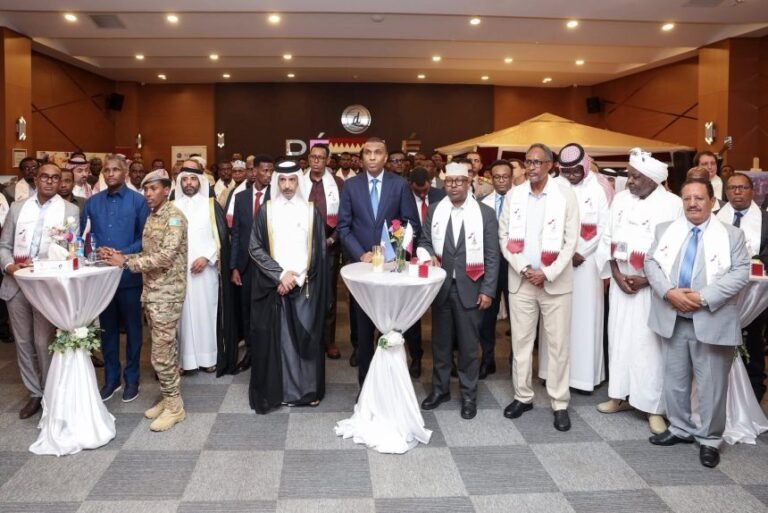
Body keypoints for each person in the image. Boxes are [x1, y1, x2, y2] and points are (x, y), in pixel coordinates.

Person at [645, 178, 749, 468]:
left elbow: (741, 274)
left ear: (713, 201)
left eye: (699, 198)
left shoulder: (732, 235)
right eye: (687, 198)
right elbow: (650, 263)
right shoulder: (665, 230)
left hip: (711, 319)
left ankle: (710, 439)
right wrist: (668, 292)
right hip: (673, 317)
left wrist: (701, 298)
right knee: (675, 381)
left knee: (712, 386)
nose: (692, 203)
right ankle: (679, 428)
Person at [596, 148, 683, 434]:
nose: (629, 181)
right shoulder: (620, 200)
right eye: (629, 175)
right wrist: (617, 275)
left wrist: (649, 280)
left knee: (649, 348)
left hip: (652, 289)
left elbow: (675, 251)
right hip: (622, 285)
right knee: (619, 341)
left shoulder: (672, 204)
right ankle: (618, 396)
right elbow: (608, 237)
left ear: (652, 179)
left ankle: (653, 407)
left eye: (634, 177)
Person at [499, 143, 579, 432]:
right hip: (521, 281)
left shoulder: (564, 193)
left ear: (549, 165)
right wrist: (523, 268)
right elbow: (504, 236)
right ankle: (523, 396)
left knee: (557, 346)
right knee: (520, 342)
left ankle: (559, 403)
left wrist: (546, 272)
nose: (531, 167)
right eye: (528, 162)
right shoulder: (515, 195)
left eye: (537, 162)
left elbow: (571, 240)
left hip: (555, 282)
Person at [103, 169, 188, 432]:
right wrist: (122, 256)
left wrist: (126, 264)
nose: (148, 195)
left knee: (161, 355)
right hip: (152, 293)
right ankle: (169, 397)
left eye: (154, 189)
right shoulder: (153, 216)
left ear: (166, 189)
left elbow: (165, 256)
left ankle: (175, 408)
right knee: (166, 351)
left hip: (167, 294)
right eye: (146, 190)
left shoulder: (174, 217)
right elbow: (148, 251)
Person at [418, 162, 499, 419]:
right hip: (441, 288)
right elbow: (424, 241)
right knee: (440, 345)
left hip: (471, 287)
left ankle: (468, 395)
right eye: (449, 181)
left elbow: (492, 256)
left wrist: (488, 290)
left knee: (468, 347)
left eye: (459, 181)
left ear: (468, 182)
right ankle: (440, 390)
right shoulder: (434, 211)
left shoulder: (484, 214)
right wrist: (428, 254)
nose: (453, 186)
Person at [337, 137, 421, 386]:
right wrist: (360, 253)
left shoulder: (400, 185)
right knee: (363, 330)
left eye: (378, 153)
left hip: (391, 266)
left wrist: (391, 251)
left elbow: (410, 223)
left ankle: (391, 385)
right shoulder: (350, 186)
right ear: (361, 157)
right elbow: (344, 226)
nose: (372, 157)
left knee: (391, 327)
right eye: (368, 153)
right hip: (361, 267)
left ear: (386, 158)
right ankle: (365, 387)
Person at [0, 163, 79, 419]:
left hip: (46, 286)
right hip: (17, 283)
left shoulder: (70, 210)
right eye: (45, 177)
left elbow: (71, 251)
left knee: (43, 341)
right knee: (23, 343)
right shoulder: (17, 208)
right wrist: (10, 266)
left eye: (55, 178)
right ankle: (35, 393)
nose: (50, 182)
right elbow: (4, 245)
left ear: (60, 183)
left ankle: (50, 392)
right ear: (36, 179)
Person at [248, 160, 327, 413]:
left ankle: (306, 391)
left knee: (306, 338)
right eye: (282, 180)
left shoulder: (311, 210)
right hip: (276, 286)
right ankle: (280, 391)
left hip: (305, 286)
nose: (287, 186)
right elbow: (255, 247)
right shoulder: (267, 210)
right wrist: (280, 275)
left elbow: (319, 251)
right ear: (276, 182)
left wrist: (297, 277)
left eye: (292, 180)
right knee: (280, 340)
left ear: (298, 181)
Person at [539, 143, 608, 392]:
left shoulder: (598, 190)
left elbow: (603, 227)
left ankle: (583, 378)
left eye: (575, 171)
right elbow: (546, 225)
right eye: (566, 172)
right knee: (556, 320)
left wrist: (582, 252)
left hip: (587, 266)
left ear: (585, 166)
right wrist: (566, 255)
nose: (570, 176)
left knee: (584, 320)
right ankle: (551, 373)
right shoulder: (553, 187)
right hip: (558, 263)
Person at [82, 156, 149, 401]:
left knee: (133, 330)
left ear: (126, 172)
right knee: (107, 331)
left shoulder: (138, 202)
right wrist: (94, 251)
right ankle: (111, 379)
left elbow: (146, 238)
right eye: (107, 170)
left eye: (115, 170)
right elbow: (84, 237)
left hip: (129, 275)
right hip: (101, 278)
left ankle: (132, 379)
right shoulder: (92, 203)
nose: (110, 174)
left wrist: (122, 253)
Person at [717, 173, 768, 401]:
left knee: (754, 341)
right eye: (732, 188)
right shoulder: (715, 217)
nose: (737, 192)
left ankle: (754, 392)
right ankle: (722, 391)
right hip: (724, 291)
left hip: (756, 295)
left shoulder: (765, 220)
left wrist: (757, 261)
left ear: (752, 190)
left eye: (742, 187)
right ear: (726, 192)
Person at [174, 162, 221, 374]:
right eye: (185, 179)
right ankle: (184, 361)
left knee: (205, 313)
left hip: (205, 270)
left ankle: (208, 358)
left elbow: (220, 237)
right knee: (182, 316)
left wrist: (207, 257)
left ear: (200, 181)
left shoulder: (211, 205)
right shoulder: (172, 207)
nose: (189, 183)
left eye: (193, 179)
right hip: (180, 271)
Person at [230, 155, 273, 372]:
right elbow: (236, 233)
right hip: (246, 266)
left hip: (268, 266)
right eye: (264, 170)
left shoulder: (276, 197)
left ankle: (267, 354)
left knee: (266, 311)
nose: (268, 175)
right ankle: (250, 353)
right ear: (254, 171)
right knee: (246, 311)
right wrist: (234, 266)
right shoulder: (241, 198)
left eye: (270, 171)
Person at [301, 143, 344, 360]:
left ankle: (328, 340)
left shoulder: (337, 183)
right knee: (302, 292)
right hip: (301, 248)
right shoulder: (297, 182)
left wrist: (332, 239)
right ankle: (306, 337)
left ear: (327, 161)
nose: (317, 161)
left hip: (329, 246)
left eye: (321, 158)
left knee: (328, 295)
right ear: (309, 159)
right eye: (313, 157)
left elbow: (345, 217)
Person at [405, 166, 445, 378]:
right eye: (418, 190)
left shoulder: (441, 195)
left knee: (443, 312)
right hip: (411, 259)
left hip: (438, 260)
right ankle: (416, 357)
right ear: (410, 184)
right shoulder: (404, 196)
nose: (423, 194)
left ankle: (446, 358)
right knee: (413, 311)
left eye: (426, 189)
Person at [478, 160, 515, 379]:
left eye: (505, 176)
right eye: (497, 177)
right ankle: (487, 359)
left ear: (512, 178)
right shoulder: (483, 203)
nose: (501, 180)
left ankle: (515, 361)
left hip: (514, 266)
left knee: (517, 317)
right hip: (490, 267)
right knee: (487, 317)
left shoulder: (521, 201)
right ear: (491, 179)